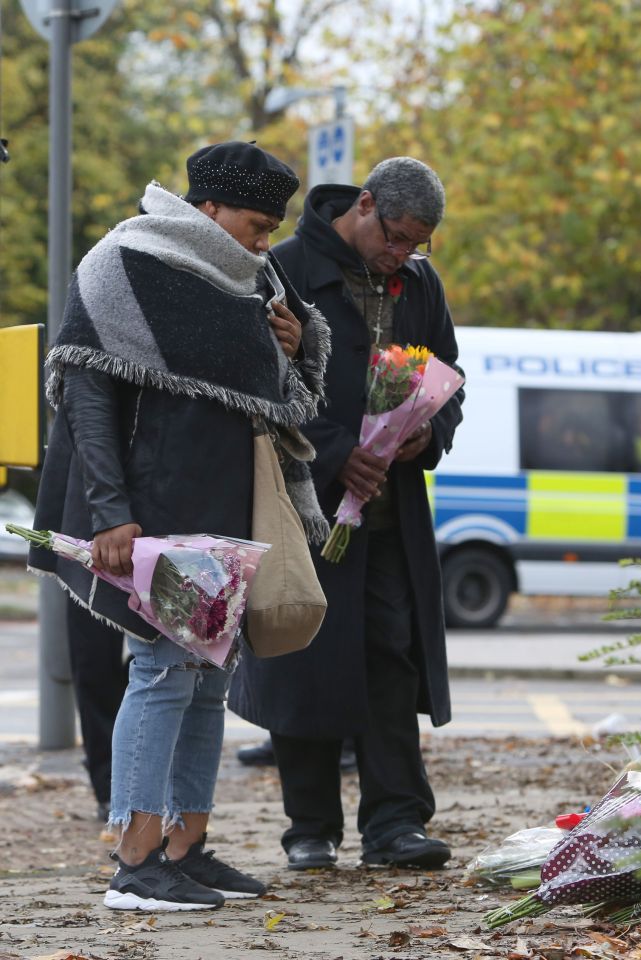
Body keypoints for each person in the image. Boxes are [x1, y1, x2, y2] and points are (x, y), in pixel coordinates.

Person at [28, 141, 330, 911]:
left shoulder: (253, 279)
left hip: (224, 505)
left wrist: (291, 346)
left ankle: (184, 848)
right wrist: (110, 515)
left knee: (206, 682)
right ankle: (134, 864)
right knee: (162, 673)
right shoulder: (122, 263)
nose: (266, 242)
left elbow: (287, 397)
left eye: (272, 228)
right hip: (150, 509)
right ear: (209, 210)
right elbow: (87, 400)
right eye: (257, 225)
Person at [228, 157, 464, 872]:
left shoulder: (420, 283)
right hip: (304, 505)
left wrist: (427, 432)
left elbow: (448, 377)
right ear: (364, 205)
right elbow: (255, 383)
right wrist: (334, 455)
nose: (403, 256)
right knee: (306, 657)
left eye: (417, 245)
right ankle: (310, 828)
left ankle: (396, 823)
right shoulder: (286, 266)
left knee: (391, 658)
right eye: (395, 238)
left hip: (389, 513)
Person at [66, 601, 128, 822]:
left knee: (159, 671)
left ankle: (150, 784)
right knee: (95, 669)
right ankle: (108, 785)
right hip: (89, 572)